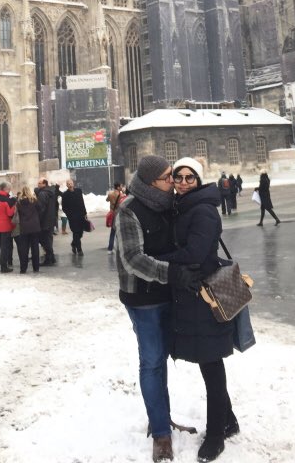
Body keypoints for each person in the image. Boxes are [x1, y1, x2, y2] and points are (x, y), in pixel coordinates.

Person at [115, 155, 201, 463]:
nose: (174, 181)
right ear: (153, 182)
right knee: (151, 361)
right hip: (143, 298)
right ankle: (162, 435)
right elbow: (133, 260)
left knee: (161, 357)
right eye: (169, 177)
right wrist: (173, 273)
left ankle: (159, 416)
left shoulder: (168, 205)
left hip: (168, 294)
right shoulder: (129, 209)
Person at [162, 157, 239, 463]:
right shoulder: (183, 206)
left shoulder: (203, 210)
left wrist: (157, 258)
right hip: (193, 294)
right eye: (178, 177)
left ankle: (217, 434)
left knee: (212, 363)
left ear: (198, 180)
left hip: (206, 295)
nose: (182, 182)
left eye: (189, 177)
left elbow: (195, 252)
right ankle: (229, 420)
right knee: (208, 360)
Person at [0, 181, 16, 273]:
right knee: (4, 247)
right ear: (6, 189)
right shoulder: (6, 200)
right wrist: (14, 205)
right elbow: (10, 213)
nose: (10, 191)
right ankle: (3, 267)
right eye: (9, 189)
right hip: (5, 226)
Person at [16, 185, 41, 273]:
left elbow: (18, 213)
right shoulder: (34, 200)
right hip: (34, 227)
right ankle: (36, 267)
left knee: (24, 248)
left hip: (24, 227)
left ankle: (23, 269)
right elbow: (40, 209)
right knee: (35, 248)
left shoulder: (19, 202)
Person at [61, 178, 88, 256]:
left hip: (81, 216)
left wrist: (85, 213)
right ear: (66, 185)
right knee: (75, 232)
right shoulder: (65, 194)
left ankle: (73, 244)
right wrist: (69, 215)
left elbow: (82, 202)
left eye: (71, 183)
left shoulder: (78, 191)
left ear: (73, 184)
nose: (70, 185)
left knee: (80, 233)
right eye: (68, 183)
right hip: (72, 217)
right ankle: (79, 250)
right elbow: (64, 207)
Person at [35, 178, 57, 265]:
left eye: (39, 183)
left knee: (44, 240)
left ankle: (49, 259)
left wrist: (38, 220)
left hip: (44, 221)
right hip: (51, 220)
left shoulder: (43, 194)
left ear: (44, 184)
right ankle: (52, 258)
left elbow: (41, 208)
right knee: (48, 239)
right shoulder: (51, 192)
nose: (38, 185)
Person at [106, 182, 126, 253]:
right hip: (118, 214)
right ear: (118, 187)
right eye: (121, 186)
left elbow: (107, 200)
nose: (122, 187)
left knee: (112, 232)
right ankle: (118, 248)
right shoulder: (122, 195)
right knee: (119, 232)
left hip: (112, 214)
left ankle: (110, 249)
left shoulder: (110, 194)